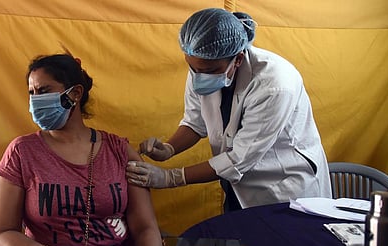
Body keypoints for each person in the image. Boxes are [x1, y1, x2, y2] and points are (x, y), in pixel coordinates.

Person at [0, 52, 163, 246]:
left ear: (75, 93)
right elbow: (3, 232)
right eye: (32, 93)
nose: (36, 100)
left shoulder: (119, 151)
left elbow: (145, 227)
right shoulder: (22, 152)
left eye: (44, 90)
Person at [126, 8, 332, 211]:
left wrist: (171, 177)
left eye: (209, 71)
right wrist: (169, 148)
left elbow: (238, 159)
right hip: (236, 184)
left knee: (281, 241)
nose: (199, 77)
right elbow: (195, 122)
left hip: (283, 189)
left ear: (238, 59)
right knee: (238, 241)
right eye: (193, 68)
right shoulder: (203, 66)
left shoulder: (275, 84)